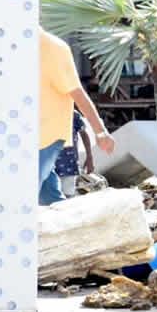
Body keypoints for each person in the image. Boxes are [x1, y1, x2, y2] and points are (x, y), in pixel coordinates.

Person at [38, 28, 115, 206]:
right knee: (50, 199)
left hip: (45, 137)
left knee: (23, 194)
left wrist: (100, 132)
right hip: (23, 136)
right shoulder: (10, 45)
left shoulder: (51, 47)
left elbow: (77, 92)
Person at [54, 112, 95, 198]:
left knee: (68, 197)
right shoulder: (44, 111)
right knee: (49, 198)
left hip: (69, 165)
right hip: (48, 166)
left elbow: (84, 134)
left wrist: (89, 157)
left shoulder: (73, 114)